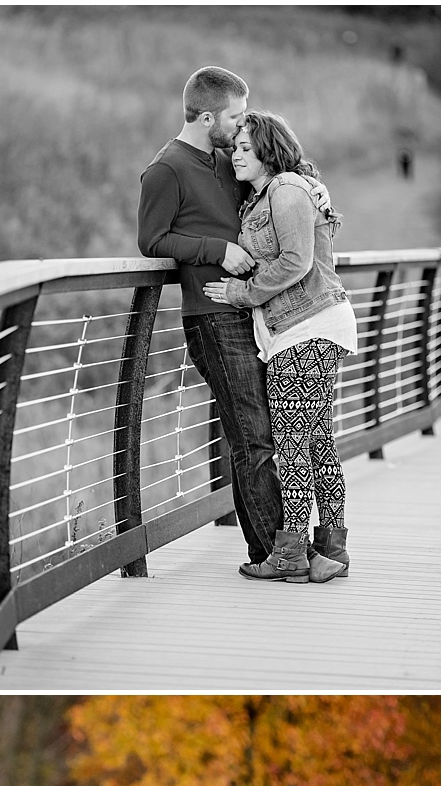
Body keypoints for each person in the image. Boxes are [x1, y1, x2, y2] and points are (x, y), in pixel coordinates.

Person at [137, 66, 285, 572]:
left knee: (255, 434)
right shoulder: (166, 169)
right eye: (236, 115)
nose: (244, 125)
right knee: (254, 435)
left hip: (249, 309)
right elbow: (152, 240)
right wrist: (216, 249)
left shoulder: (228, 160)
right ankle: (277, 552)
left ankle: (267, 551)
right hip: (212, 318)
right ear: (207, 117)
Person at [202, 112, 356, 583]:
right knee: (315, 443)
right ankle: (330, 548)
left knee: (290, 445)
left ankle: (289, 553)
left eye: (247, 147)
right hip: (302, 327)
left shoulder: (286, 189)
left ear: (270, 149)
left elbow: (296, 259)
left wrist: (241, 294)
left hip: (307, 325)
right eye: (235, 147)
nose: (237, 155)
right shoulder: (267, 196)